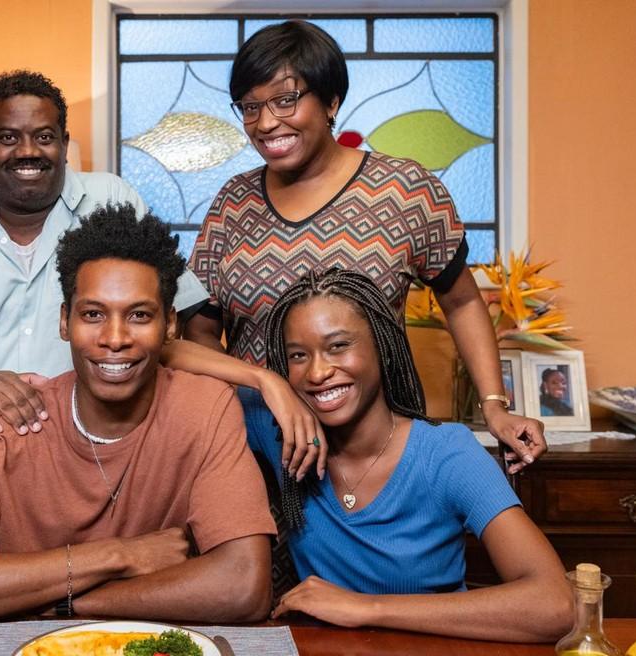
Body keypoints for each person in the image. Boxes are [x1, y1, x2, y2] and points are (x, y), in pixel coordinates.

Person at [186, 20, 545, 482]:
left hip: (376, 449)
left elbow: (460, 302)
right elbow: (197, 334)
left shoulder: (404, 189)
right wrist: (263, 390)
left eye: (285, 99)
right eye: (250, 107)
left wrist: (495, 406)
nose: (266, 122)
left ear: (332, 101)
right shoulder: (232, 203)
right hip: (256, 451)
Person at [0, 205, 275, 628]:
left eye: (139, 315)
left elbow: (245, 586)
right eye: (93, 314)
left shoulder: (206, 409)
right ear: (64, 322)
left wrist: (68, 603)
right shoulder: (7, 419)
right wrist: (118, 556)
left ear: (170, 325)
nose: (114, 339)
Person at [0, 70, 211, 487]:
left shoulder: (111, 200)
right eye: (9, 138)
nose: (28, 151)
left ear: (65, 143)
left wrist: (209, 410)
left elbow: (185, 307)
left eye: (44, 137)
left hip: (95, 473)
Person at [260, 268, 572, 642]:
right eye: (298, 355)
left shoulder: (445, 453)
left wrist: (363, 607)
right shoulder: (282, 436)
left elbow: (555, 605)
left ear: (382, 346)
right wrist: (267, 382)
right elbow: (173, 351)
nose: (317, 371)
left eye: (338, 346)